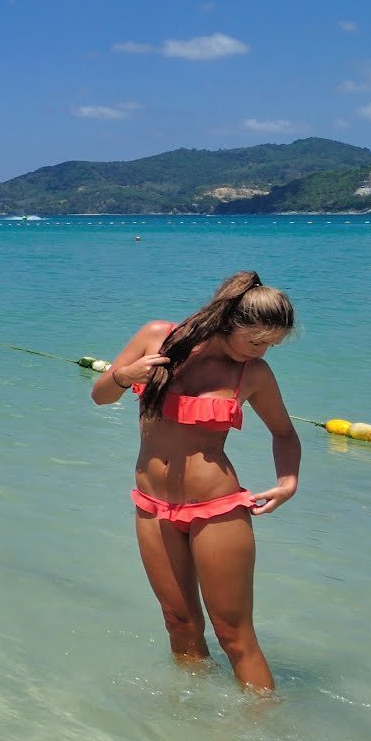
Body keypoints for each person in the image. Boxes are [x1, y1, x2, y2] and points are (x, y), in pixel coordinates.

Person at [90, 270, 301, 693]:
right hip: (152, 507)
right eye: (256, 341)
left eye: (271, 345)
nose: (261, 352)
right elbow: (100, 395)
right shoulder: (156, 337)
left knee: (234, 635)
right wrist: (126, 375)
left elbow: (284, 433)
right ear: (229, 322)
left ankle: (263, 725)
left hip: (217, 510)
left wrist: (287, 481)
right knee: (179, 623)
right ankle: (191, 719)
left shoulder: (253, 374)